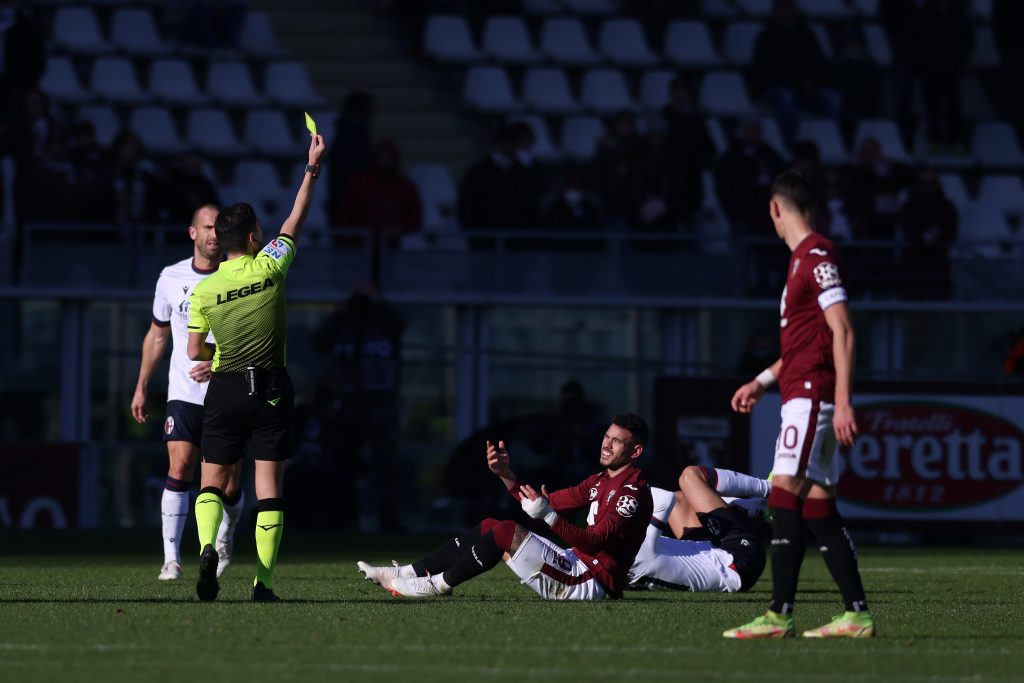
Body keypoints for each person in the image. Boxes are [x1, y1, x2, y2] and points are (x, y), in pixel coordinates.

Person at [724, 170, 874, 639]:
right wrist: (761, 381)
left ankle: (779, 614)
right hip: (801, 390)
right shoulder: (800, 261)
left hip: (813, 396)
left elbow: (843, 329)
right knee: (818, 507)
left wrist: (843, 401)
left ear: (776, 208)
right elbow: (804, 343)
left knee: (784, 491)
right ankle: (856, 615)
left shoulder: (816, 256)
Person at [186, 131, 327, 602]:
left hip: (225, 388)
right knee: (269, 489)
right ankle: (263, 583)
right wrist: (312, 168)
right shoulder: (270, 266)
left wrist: (216, 355)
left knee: (211, 481)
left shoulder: (204, 290)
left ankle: (207, 547)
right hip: (270, 388)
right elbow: (295, 218)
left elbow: (194, 351)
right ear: (252, 238)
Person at [358, 414, 653, 601]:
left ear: (635, 451)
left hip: (591, 582)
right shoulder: (601, 479)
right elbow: (541, 503)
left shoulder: (632, 492)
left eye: (617, 441)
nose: (606, 444)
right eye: (607, 437)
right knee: (491, 525)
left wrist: (548, 515)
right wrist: (506, 475)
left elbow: (594, 542)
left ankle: (437, 585)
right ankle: (412, 572)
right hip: (576, 562)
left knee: (505, 532)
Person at [130, 204, 244, 581]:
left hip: (227, 391)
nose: (214, 235)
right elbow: (157, 334)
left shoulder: (240, 277)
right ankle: (172, 559)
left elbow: (254, 335)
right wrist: (142, 385)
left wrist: (218, 361)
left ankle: (225, 536)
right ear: (193, 232)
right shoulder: (170, 277)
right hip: (182, 393)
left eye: (219, 228)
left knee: (227, 482)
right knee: (179, 467)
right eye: (207, 227)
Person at [310, 282, 405, 531]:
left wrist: (375, 300)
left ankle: (389, 522)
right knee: (342, 465)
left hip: (380, 404)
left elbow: (401, 322)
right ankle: (342, 520)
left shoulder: (385, 324)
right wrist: (342, 310)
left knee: (386, 467)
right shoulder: (342, 326)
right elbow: (317, 342)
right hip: (347, 406)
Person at [628, 466, 770, 593]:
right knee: (691, 476)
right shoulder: (633, 549)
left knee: (680, 501)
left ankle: (749, 508)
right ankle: (772, 490)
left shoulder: (621, 560)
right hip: (738, 561)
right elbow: (664, 499)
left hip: (710, 555)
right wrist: (619, 489)